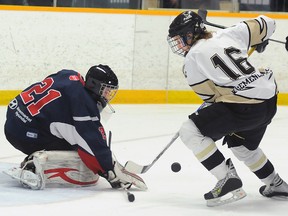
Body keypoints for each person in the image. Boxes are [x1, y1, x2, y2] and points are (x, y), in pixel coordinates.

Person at [167, 11, 288, 206]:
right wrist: (261, 38)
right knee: (242, 146)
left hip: (244, 106)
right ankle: (275, 183)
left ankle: (225, 178)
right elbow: (268, 22)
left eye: (181, 39)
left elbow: (211, 98)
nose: (179, 45)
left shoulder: (191, 61)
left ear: (190, 34)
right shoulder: (231, 33)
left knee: (190, 130)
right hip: (269, 101)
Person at [3, 64, 147, 191]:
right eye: (105, 90)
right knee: (77, 149)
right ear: (94, 85)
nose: (107, 95)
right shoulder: (82, 106)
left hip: (15, 118)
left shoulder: (69, 75)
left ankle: (37, 158)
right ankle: (35, 165)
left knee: (66, 134)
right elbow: (91, 143)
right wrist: (109, 170)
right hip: (23, 134)